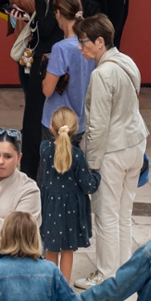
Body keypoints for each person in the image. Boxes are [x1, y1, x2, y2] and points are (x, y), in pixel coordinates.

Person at [75, 13, 147, 290]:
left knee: (106, 215)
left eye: (84, 42)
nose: (81, 47)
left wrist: (91, 164)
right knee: (123, 212)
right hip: (135, 143)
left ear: (100, 41)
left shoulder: (102, 73)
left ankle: (106, 273)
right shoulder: (127, 61)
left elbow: (97, 125)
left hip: (113, 150)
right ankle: (124, 269)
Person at [10, 0, 76, 178]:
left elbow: (50, 30)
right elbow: (46, 25)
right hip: (43, 61)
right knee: (35, 117)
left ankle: (31, 173)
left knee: (35, 121)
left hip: (47, 65)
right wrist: (29, 17)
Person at [38, 106, 97, 282]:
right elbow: (87, 185)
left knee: (51, 248)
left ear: (51, 128)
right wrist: (97, 177)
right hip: (71, 209)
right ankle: (63, 286)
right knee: (67, 249)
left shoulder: (45, 149)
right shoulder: (77, 156)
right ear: (75, 130)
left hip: (49, 206)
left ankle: (49, 285)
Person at [40, 0, 91, 137]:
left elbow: (48, 90)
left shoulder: (61, 48)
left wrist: (44, 75)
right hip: (79, 122)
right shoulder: (91, 45)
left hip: (56, 121)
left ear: (58, 14)